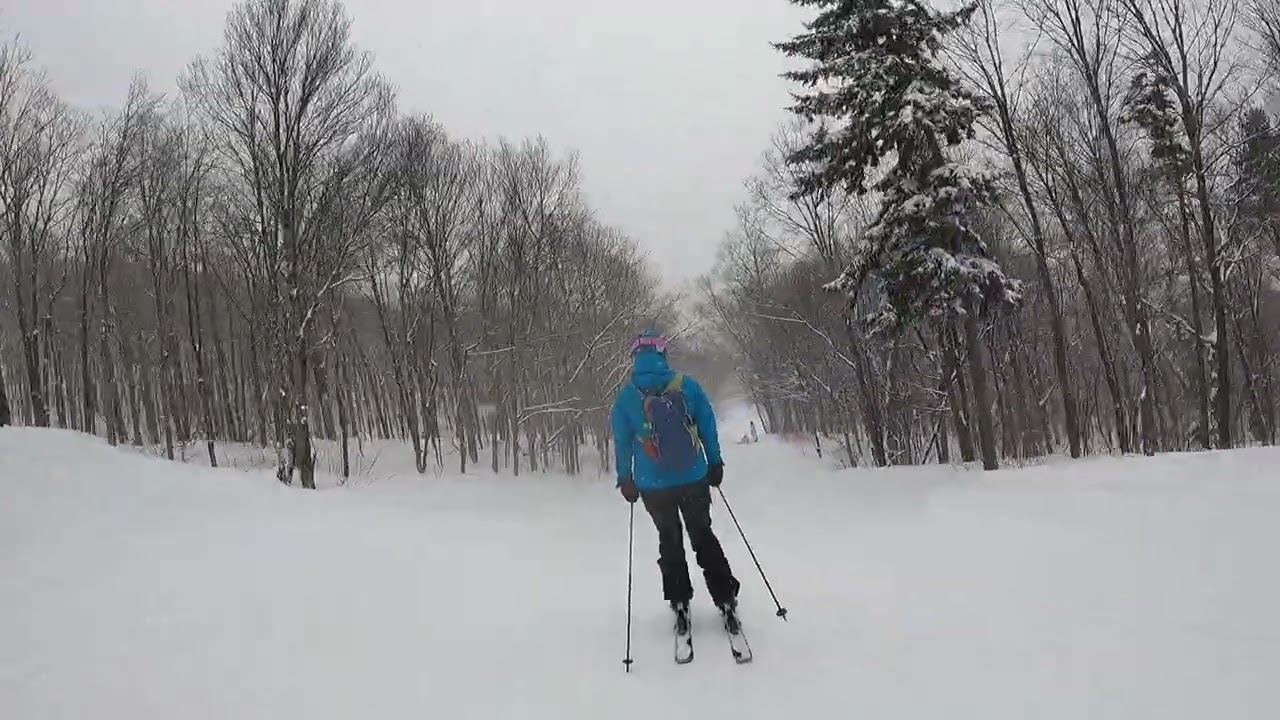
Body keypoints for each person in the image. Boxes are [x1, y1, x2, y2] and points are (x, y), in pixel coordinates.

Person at [610, 330, 740, 632]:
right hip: (693, 477)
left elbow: (622, 441)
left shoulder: (627, 395)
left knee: (669, 541)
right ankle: (725, 598)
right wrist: (714, 461)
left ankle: (679, 602)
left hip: (652, 485)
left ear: (634, 358)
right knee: (703, 536)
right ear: (662, 355)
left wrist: (625, 478)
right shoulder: (687, 385)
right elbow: (707, 422)